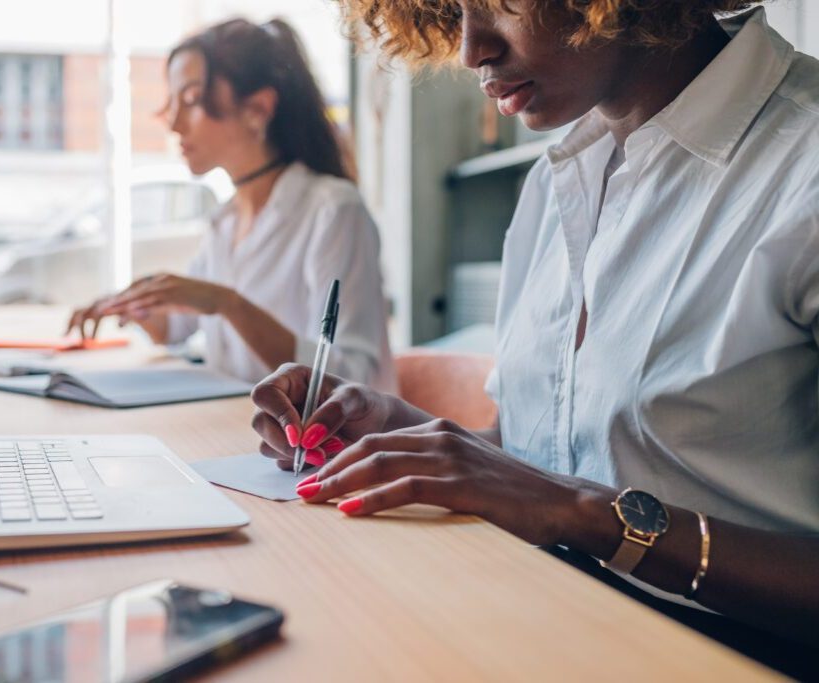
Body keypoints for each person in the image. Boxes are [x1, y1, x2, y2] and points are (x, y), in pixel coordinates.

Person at [250, 0, 819, 662]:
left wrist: (589, 514)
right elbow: (560, 457)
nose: (470, 51)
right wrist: (401, 429)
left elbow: (565, 496)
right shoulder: (557, 181)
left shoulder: (801, 163)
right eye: (449, 9)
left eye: (495, 3)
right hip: (545, 616)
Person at [67, 19, 396, 394]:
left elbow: (353, 378)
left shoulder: (334, 211)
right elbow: (175, 329)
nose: (173, 123)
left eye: (190, 100)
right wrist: (132, 304)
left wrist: (228, 304)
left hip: (320, 449)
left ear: (258, 109)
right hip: (240, 429)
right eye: (171, 103)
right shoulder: (225, 219)